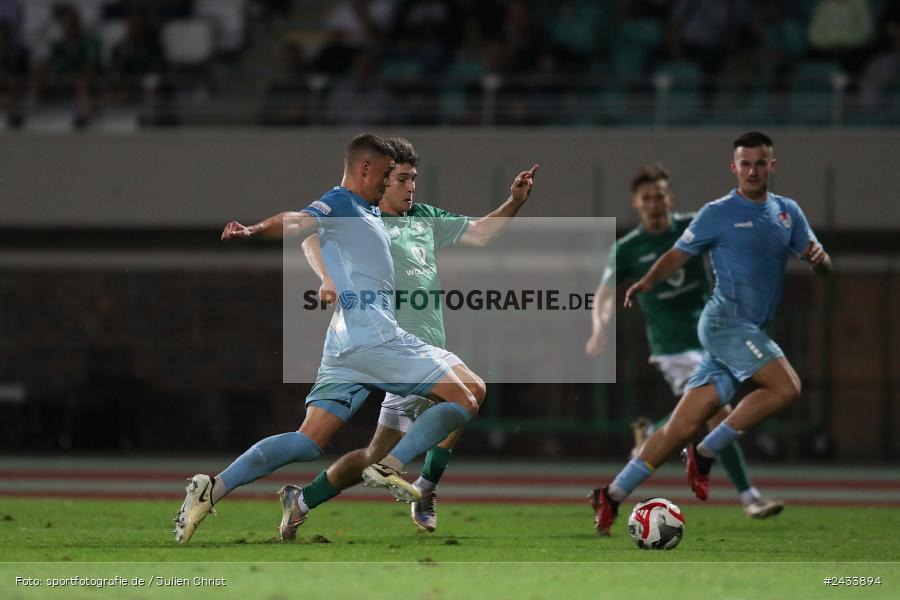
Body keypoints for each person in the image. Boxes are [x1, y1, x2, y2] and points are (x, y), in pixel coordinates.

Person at [174, 133, 487, 544]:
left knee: (308, 442)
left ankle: (213, 487)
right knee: (468, 394)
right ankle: (392, 466)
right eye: (387, 174)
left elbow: (320, 239)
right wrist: (253, 230)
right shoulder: (342, 203)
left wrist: (329, 277)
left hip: (343, 346)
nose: (389, 182)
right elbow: (298, 223)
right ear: (365, 169)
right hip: (377, 340)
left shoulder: (367, 213)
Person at [278, 136, 538, 536]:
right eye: (401, 178)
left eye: (413, 178)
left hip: (423, 350)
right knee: (466, 393)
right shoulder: (360, 219)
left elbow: (482, 233)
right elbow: (309, 235)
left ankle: (303, 499)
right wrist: (326, 278)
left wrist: (515, 201)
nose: (410, 186)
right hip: (389, 351)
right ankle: (424, 486)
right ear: (381, 179)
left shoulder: (425, 217)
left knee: (379, 452)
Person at [590, 132, 832, 536]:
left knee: (681, 426)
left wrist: (820, 261)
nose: (752, 170)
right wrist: (644, 283)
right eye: (745, 163)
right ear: (733, 167)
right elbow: (674, 256)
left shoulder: (788, 213)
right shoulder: (715, 213)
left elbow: (821, 264)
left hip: (736, 333)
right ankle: (709, 461)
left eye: (760, 163)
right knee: (786, 387)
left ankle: (611, 495)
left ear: (771, 166)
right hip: (721, 326)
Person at [585, 163, 783, 521]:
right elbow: (604, 294)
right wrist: (599, 328)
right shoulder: (628, 249)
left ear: (669, 198)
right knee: (718, 413)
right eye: (647, 197)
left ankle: (651, 432)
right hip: (672, 346)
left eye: (660, 195)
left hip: (713, 338)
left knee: (698, 416)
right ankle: (750, 497)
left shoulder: (691, 227)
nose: (654, 202)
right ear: (637, 203)